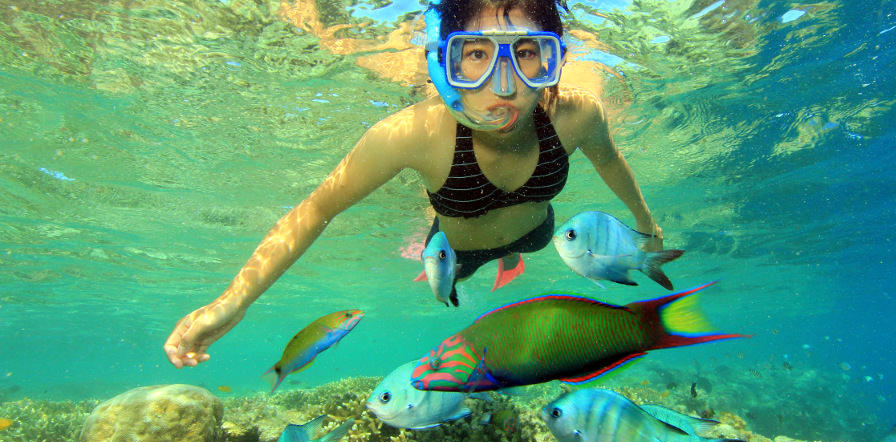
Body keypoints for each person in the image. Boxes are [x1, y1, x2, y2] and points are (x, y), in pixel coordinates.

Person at [163, 0, 664, 368]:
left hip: (537, 233)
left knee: (523, 246)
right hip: (456, 252)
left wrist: (647, 223)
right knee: (449, 281)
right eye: (475, 55)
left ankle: (504, 255)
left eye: (530, 52)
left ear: (556, 59)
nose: (505, 85)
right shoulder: (414, 134)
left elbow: (612, 163)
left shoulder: (576, 115)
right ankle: (431, 229)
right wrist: (233, 301)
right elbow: (316, 209)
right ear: (444, 65)